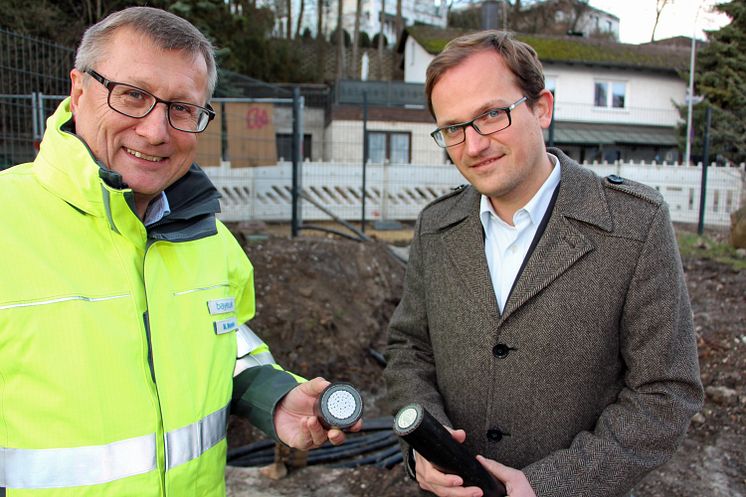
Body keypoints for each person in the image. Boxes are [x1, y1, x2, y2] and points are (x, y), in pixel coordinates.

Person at [0, 7, 359, 496]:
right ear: (79, 91)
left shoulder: (212, 240)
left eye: (182, 108)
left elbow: (225, 345)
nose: (155, 131)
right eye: (132, 96)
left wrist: (274, 398)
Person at [384, 30, 703, 497]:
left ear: (542, 108)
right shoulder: (436, 227)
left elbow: (665, 390)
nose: (473, 146)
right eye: (453, 128)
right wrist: (425, 449)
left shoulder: (634, 225)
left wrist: (553, 484)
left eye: (492, 115)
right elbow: (409, 351)